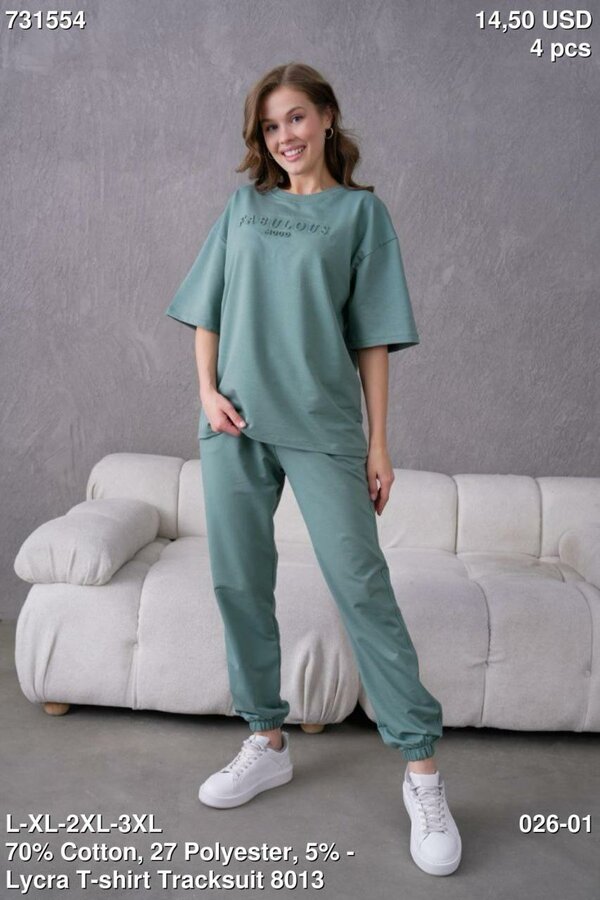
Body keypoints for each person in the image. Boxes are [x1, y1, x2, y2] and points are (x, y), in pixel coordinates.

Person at [165, 62, 462, 877]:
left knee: (362, 587)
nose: (285, 136)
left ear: (328, 117)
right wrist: (206, 394)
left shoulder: (362, 215)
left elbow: (373, 337)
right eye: (270, 126)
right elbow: (207, 309)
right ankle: (266, 740)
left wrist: (378, 443)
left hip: (323, 426)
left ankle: (423, 774)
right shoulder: (244, 207)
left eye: (297, 117)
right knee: (237, 581)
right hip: (234, 423)